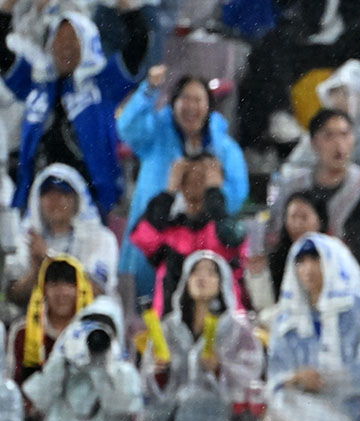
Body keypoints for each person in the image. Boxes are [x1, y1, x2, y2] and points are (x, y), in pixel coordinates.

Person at [0, 0, 151, 217]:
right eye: (59, 40)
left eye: (73, 40)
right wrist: (6, 8)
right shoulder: (36, 82)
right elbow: (3, 53)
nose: (65, 48)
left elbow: (138, 44)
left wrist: (128, 10)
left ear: (88, 43)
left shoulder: (104, 84)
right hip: (38, 197)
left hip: (90, 201)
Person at [118, 68, 250, 302]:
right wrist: (148, 90)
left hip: (205, 244)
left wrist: (208, 192)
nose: (191, 106)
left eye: (198, 99)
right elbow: (127, 128)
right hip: (155, 239)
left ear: (209, 106)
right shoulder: (156, 135)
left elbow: (238, 195)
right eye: (184, 99)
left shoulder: (224, 148)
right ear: (173, 104)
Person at [262, 234, 360, 421]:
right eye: (301, 261)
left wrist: (326, 381)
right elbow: (277, 375)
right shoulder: (288, 320)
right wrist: (298, 378)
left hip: (350, 412)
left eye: (315, 259)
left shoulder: (359, 307)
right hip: (300, 407)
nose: (308, 268)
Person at [139, 251, 264, 421]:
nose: (202, 277)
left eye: (210, 272)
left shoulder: (238, 330)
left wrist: (220, 369)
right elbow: (147, 382)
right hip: (165, 416)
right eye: (195, 271)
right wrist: (159, 374)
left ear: (222, 282)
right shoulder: (167, 328)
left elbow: (250, 374)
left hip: (217, 417)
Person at [9, 297, 142, 421]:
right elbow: (39, 400)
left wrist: (104, 368)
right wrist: (62, 357)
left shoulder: (124, 373)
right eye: (90, 327)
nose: (94, 338)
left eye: (104, 331)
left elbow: (124, 406)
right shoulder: (66, 364)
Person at [129, 154, 247, 317]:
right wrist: (169, 191)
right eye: (188, 176)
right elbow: (142, 237)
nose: (196, 181)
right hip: (171, 328)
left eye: (203, 176)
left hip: (223, 328)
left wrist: (214, 193)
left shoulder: (224, 227)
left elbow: (233, 239)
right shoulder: (169, 232)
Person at [6, 164, 118, 308]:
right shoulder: (27, 239)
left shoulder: (101, 239)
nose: (55, 200)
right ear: (37, 200)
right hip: (40, 320)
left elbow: (99, 292)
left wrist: (49, 257)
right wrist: (35, 271)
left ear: (78, 199)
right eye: (47, 194)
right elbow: (14, 297)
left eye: (63, 193)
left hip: (89, 319)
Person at [270, 109, 360, 240]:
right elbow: (275, 231)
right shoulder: (292, 185)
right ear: (314, 142)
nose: (339, 144)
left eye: (344, 134)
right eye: (329, 135)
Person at [8, 256, 93, 386]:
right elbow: (10, 382)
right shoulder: (21, 331)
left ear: (81, 289)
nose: (62, 292)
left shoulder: (94, 333)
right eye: (54, 284)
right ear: (43, 288)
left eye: (69, 285)